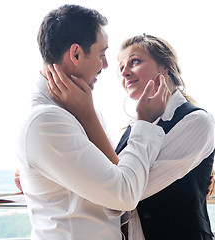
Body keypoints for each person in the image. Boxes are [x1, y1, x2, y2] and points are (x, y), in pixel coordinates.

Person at [17, 5, 171, 240]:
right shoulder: (45, 122)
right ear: (76, 54)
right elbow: (124, 195)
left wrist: (88, 115)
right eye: (102, 54)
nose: (107, 65)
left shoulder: (83, 110)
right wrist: (144, 123)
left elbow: (116, 186)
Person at [47, 34, 215, 240]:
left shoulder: (197, 122)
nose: (125, 72)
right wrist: (46, 165)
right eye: (121, 68)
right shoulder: (133, 128)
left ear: (165, 66)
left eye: (134, 62)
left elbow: (125, 191)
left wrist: (87, 114)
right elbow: (108, 172)